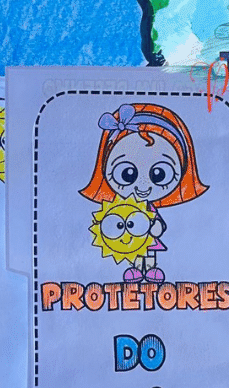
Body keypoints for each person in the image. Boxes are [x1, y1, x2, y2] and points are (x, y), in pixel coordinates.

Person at [79, 103, 207, 283]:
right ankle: (137, 269)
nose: (143, 187)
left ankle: (151, 269)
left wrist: (155, 227)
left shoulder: (149, 208)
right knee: (136, 251)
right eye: (127, 174)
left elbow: (159, 224)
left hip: (147, 236)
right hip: (131, 239)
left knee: (150, 251)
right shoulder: (123, 207)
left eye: (159, 174)